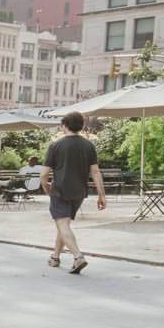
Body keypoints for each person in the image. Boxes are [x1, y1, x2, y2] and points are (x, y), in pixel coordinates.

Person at [43, 112, 105, 273]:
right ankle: (55, 257)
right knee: (64, 225)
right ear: (82, 126)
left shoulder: (55, 145)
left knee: (62, 224)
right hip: (80, 191)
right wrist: (101, 195)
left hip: (60, 190)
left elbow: (44, 174)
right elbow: (96, 172)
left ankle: (78, 257)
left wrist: (46, 187)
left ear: (64, 125)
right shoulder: (89, 145)